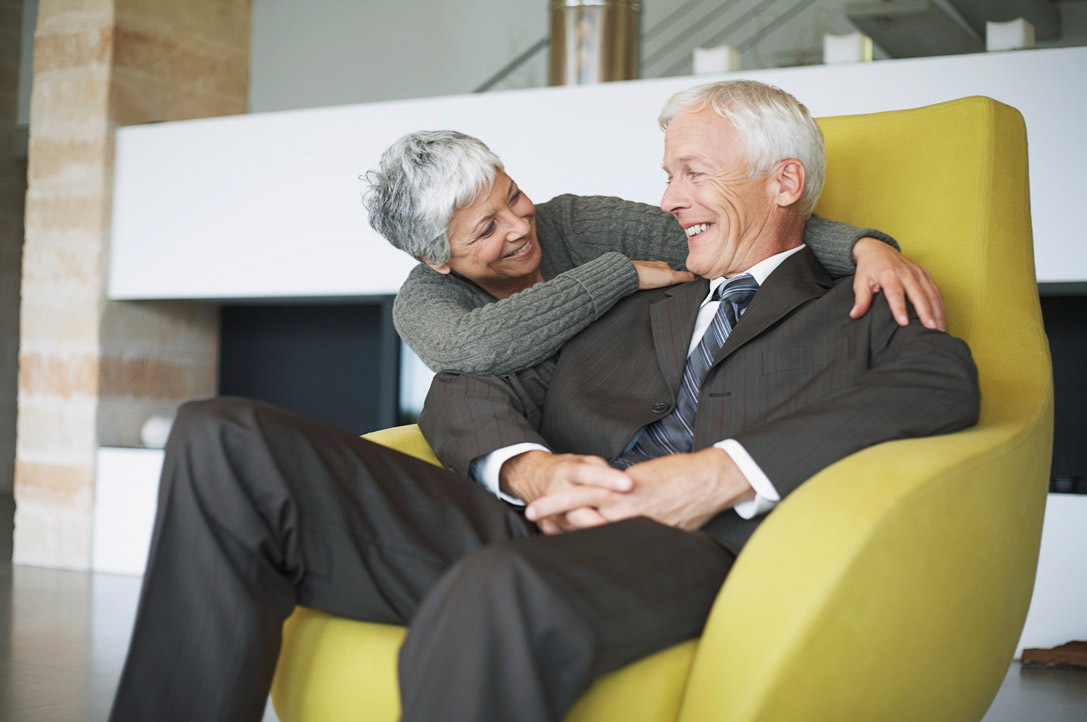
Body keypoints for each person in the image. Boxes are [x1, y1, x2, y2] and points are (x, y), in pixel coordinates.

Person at [108, 80, 978, 722]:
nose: (667, 200)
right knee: (219, 434)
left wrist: (717, 475)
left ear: (781, 184)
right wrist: (531, 469)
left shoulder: (855, 307)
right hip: (533, 519)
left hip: (683, 547)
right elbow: (468, 381)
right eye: (665, 176)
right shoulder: (633, 292)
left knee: (500, 585)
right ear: (441, 260)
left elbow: (941, 379)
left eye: (690, 174)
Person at [367, 131, 945, 375]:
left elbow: (728, 234)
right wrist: (616, 276)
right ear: (436, 258)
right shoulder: (425, 301)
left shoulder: (576, 220)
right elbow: (475, 349)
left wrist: (864, 247)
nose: (520, 227)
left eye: (514, 196)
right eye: (486, 229)